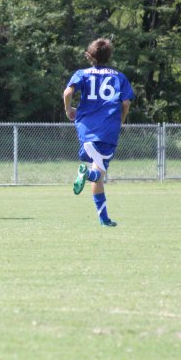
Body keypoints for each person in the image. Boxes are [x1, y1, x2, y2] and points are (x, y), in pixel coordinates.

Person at [63, 38, 135, 227]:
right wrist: (121, 118)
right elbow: (126, 102)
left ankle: (104, 219)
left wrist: (68, 110)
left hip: (85, 129)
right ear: (109, 55)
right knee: (98, 174)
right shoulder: (119, 76)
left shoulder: (82, 74)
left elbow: (67, 93)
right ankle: (86, 175)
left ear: (89, 56)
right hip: (108, 130)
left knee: (98, 172)